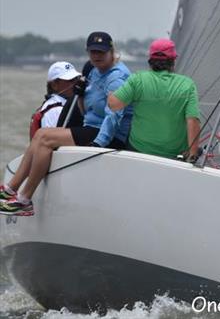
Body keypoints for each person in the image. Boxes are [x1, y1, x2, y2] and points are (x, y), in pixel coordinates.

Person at [0, 31, 132, 216]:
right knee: (41, 134)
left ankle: (24, 200)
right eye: (93, 52)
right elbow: (87, 112)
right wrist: (81, 95)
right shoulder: (94, 72)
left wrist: (98, 144)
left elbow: (113, 117)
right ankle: (10, 190)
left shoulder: (116, 78)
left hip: (110, 136)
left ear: (112, 51)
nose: (97, 56)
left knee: (45, 138)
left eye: (101, 52)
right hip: (92, 128)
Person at [107, 38, 201, 159]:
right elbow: (193, 120)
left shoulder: (137, 80)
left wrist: (110, 95)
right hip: (175, 155)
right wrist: (192, 155)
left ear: (150, 61)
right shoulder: (187, 85)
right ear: (173, 61)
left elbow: (114, 105)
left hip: (139, 151)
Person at [28, 61, 84, 140]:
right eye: (71, 80)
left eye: (77, 79)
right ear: (54, 85)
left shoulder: (62, 104)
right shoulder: (55, 110)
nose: (76, 83)